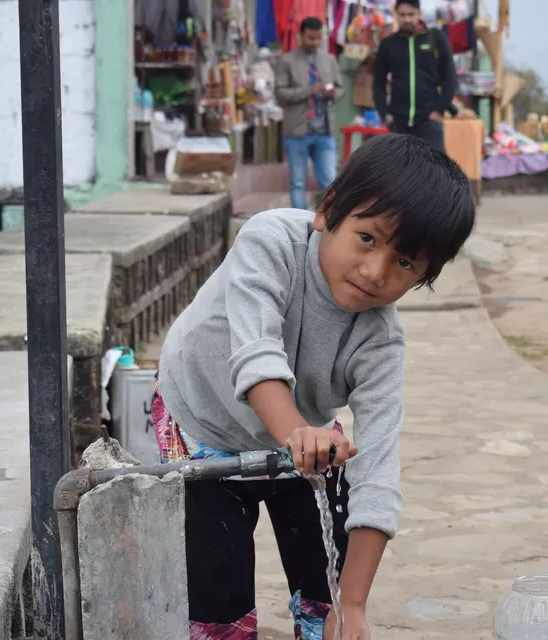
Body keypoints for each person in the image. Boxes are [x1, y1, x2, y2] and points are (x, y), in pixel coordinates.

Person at [151, 134, 475, 639]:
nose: (375, 272)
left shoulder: (380, 344)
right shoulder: (271, 241)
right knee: (219, 598)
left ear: (424, 276)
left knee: (325, 589)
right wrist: (296, 431)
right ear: (328, 211)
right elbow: (256, 352)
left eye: (406, 263)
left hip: (305, 435)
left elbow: (378, 470)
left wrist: (354, 605)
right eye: (367, 238)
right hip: (201, 420)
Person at [275, 17, 343, 210]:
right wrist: (310, 90)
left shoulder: (329, 59)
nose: (314, 42)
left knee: (330, 181)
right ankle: (299, 224)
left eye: (318, 38)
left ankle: (328, 226)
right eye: (310, 38)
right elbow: (280, 94)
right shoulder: (287, 61)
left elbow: (340, 89)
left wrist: (332, 93)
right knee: (297, 182)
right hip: (297, 132)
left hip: (324, 131)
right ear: (300, 36)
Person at [372, 0, 458, 150]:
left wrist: (438, 110)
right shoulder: (388, 44)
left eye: (411, 14)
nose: (407, 19)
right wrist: (385, 114)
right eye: (402, 15)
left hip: (429, 120)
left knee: (433, 171)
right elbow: (378, 84)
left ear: (419, 14)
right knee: (399, 171)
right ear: (396, 15)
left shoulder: (435, 38)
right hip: (398, 122)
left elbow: (450, 79)